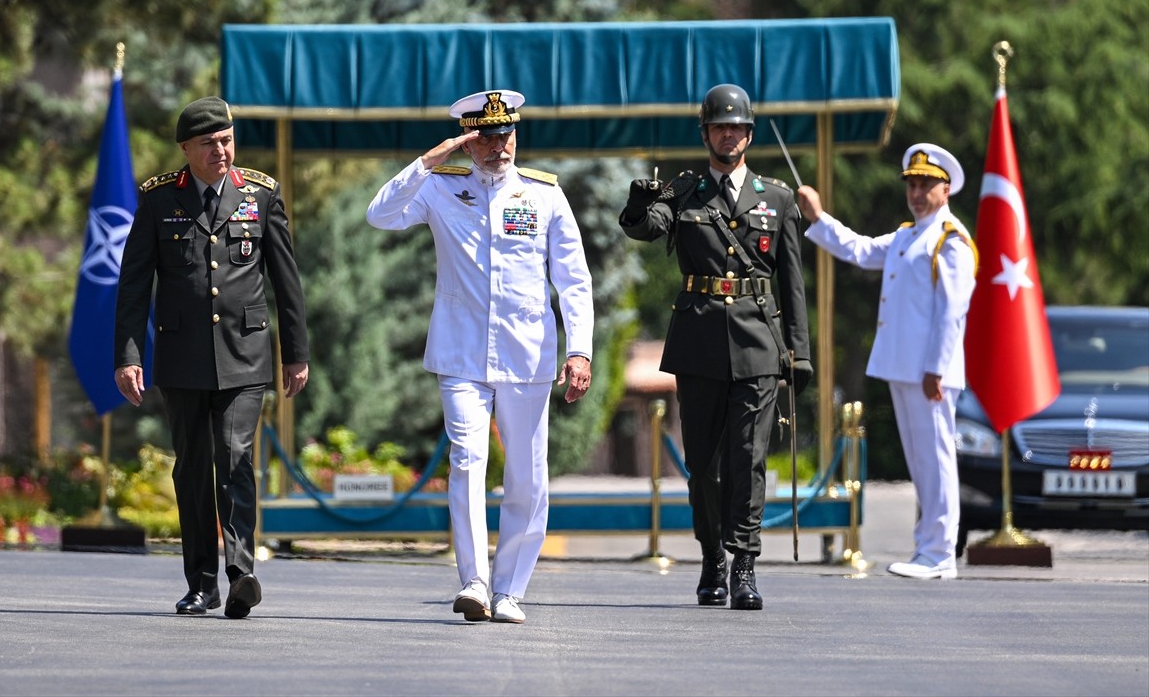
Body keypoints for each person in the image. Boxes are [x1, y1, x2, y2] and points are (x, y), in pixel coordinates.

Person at [365, 89, 594, 625]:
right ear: (469, 142)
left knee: (528, 476)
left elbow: (574, 280)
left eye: (506, 135)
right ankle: (474, 580)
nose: (499, 147)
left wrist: (579, 350)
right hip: (462, 354)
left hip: (527, 354)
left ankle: (511, 587)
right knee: (467, 460)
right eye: (486, 138)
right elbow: (380, 215)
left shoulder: (544, 196)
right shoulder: (440, 189)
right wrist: (427, 161)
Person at [114, 96, 310, 617]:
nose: (221, 151)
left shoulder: (261, 195)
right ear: (185, 149)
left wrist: (296, 352)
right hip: (181, 357)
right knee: (194, 469)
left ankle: (241, 571)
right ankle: (202, 582)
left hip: (245, 355)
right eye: (209, 143)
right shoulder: (158, 200)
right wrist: (128, 355)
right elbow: (134, 284)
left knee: (237, 458)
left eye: (226, 140)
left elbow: (287, 282)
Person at [620, 84, 811, 611]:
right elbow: (645, 227)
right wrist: (639, 203)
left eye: (737, 127)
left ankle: (745, 565)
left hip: (758, 341)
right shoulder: (683, 191)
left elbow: (792, 283)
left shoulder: (777, 198)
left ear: (749, 135)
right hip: (700, 339)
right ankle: (712, 560)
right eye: (719, 126)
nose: (729, 134)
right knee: (703, 464)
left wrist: (799, 352)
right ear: (705, 133)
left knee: (748, 459)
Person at [796, 143, 977, 580]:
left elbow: (953, 311)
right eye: (912, 185)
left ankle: (940, 553)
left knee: (936, 459)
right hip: (904, 366)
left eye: (925, 185)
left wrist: (936, 367)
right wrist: (818, 219)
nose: (916, 193)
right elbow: (859, 250)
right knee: (921, 460)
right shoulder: (907, 236)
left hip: (929, 370)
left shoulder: (950, 240)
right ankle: (928, 549)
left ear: (946, 188)